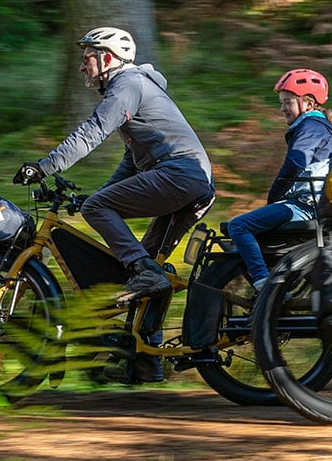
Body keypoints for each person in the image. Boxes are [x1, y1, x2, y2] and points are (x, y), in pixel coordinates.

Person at [14, 27, 215, 307]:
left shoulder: (128, 84)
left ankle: (146, 275)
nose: (82, 66)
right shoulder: (137, 86)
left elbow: (92, 132)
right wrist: (102, 192)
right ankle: (146, 346)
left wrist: (45, 167)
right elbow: (132, 161)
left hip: (178, 175)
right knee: (148, 267)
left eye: (88, 58)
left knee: (101, 216)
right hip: (196, 184)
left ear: (107, 59)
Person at [226, 69, 332, 290]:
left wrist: (275, 195)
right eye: (282, 103)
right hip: (309, 204)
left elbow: (296, 162)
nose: (282, 109)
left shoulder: (311, 126)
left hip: (304, 206)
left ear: (308, 103)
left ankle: (263, 284)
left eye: (287, 102)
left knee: (238, 226)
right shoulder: (321, 127)